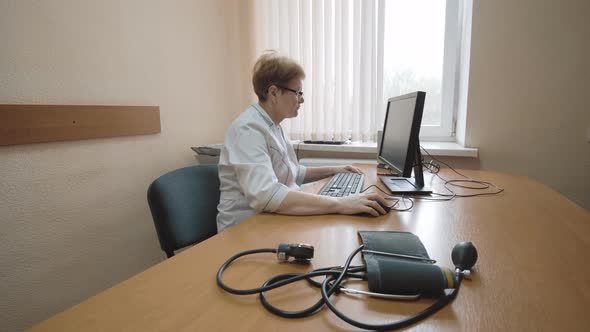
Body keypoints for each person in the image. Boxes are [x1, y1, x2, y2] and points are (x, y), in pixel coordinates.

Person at [216, 51, 388, 232]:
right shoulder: (248, 130)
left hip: (269, 220)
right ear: (274, 93)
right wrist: (340, 203)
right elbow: (266, 195)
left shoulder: (273, 126)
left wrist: (335, 170)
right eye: (297, 92)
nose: (302, 99)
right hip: (243, 230)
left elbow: (293, 172)